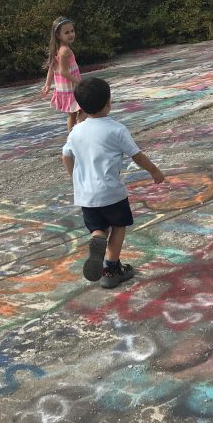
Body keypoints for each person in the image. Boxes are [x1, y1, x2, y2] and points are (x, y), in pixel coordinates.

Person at [62, 76, 165, 288]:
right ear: (109, 102)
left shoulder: (76, 131)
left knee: (98, 227)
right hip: (110, 192)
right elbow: (136, 155)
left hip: (86, 195)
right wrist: (154, 170)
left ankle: (98, 238)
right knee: (118, 226)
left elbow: (66, 155)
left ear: (81, 106)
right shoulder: (116, 129)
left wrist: (75, 177)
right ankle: (110, 270)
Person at [42, 16, 81, 132]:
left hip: (65, 88)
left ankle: (71, 138)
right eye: (67, 32)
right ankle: (79, 132)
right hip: (71, 87)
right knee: (84, 111)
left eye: (72, 31)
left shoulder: (58, 49)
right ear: (58, 36)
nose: (71, 34)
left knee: (72, 114)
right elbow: (63, 72)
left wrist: (47, 85)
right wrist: (80, 82)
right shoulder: (64, 51)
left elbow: (52, 68)